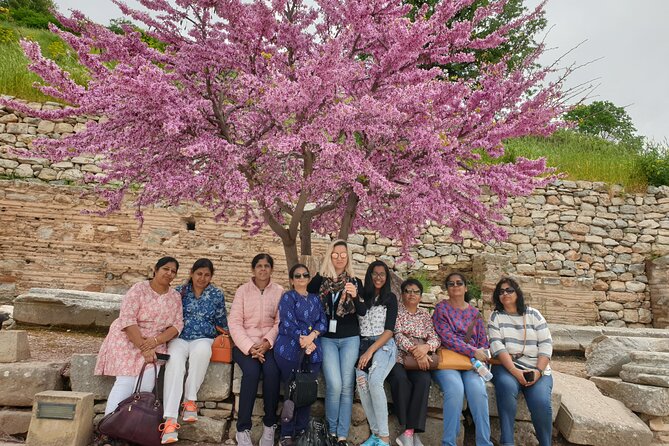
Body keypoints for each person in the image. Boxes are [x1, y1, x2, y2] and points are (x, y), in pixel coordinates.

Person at [94, 257, 184, 443]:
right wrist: (143, 348)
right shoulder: (139, 289)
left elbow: (177, 325)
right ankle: (109, 430)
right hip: (129, 337)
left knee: (144, 386)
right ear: (156, 270)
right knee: (125, 382)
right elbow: (127, 319)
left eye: (173, 271)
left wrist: (155, 341)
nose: (169, 273)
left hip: (156, 342)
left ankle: (130, 430)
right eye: (165, 269)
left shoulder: (175, 296)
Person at [160, 258, 228, 444]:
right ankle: (170, 421)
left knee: (203, 352)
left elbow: (222, 322)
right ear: (191, 273)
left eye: (207, 275)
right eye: (199, 273)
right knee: (174, 363)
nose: (202, 278)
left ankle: (190, 401)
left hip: (204, 338)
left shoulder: (216, 294)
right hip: (179, 338)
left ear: (211, 276)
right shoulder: (178, 292)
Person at [307, 239, 364, 446]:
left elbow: (363, 311)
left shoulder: (355, 281)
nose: (339, 257)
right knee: (334, 384)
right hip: (327, 339)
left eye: (343, 254)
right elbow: (307, 294)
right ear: (329, 256)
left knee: (347, 386)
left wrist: (356, 296)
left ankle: (342, 435)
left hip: (350, 338)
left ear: (348, 257)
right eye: (335, 254)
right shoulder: (321, 280)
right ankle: (331, 432)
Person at [488, 277, 553, 446]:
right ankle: (507, 442)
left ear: (517, 293)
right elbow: (498, 348)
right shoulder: (496, 317)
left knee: (541, 402)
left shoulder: (534, 314)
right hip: (506, 367)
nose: (505, 294)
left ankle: (546, 443)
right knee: (507, 387)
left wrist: (538, 371)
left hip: (536, 367)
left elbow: (546, 344)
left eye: (509, 290)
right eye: (501, 292)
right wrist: (516, 372)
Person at [229, 253, 284, 446]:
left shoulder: (278, 291)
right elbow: (235, 323)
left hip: (269, 345)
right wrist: (250, 347)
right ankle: (242, 429)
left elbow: (280, 322)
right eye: (259, 266)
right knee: (251, 372)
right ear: (253, 269)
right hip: (245, 346)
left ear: (271, 269)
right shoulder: (243, 291)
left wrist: (268, 342)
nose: (263, 269)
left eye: (266, 266)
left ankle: (270, 426)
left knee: (271, 372)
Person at [431, 272, 492, 446]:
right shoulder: (441, 309)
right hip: (448, 362)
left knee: (479, 392)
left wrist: (479, 356)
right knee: (455, 390)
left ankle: (484, 442)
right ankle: (449, 442)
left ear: (466, 287)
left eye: (459, 283)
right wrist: (473, 351)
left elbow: (483, 343)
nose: (455, 286)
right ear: (447, 289)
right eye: (451, 284)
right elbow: (447, 338)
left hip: (470, 364)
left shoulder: (475, 314)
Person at [274, 264, 328, 446]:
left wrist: (311, 337)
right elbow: (288, 322)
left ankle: (302, 432)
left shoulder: (315, 299)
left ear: (309, 278)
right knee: (291, 391)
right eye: (297, 276)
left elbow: (323, 321)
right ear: (291, 280)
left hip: (312, 350)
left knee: (306, 392)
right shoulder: (288, 297)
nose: (302, 278)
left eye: (305, 275)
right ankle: (287, 434)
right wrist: (302, 339)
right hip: (290, 350)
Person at [386, 279, 440, 446]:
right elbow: (398, 335)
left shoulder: (424, 315)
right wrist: (416, 351)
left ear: (421, 296)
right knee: (400, 379)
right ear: (402, 294)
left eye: (416, 292)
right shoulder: (397, 311)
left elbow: (434, 337)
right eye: (408, 291)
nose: (412, 294)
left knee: (423, 380)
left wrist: (425, 348)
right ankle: (409, 431)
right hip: (400, 358)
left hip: (419, 360)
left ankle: (409, 433)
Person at [356, 260, 398, 446]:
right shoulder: (362, 296)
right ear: (369, 275)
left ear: (387, 277)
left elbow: (389, 330)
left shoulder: (390, 298)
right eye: (375, 273)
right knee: (362, 383)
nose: (378, 277)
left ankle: (384, 438)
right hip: (363, 344)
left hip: (383, 345)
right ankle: (375, 434)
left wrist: (370, 352)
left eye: (382, 274)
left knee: (374, 380)